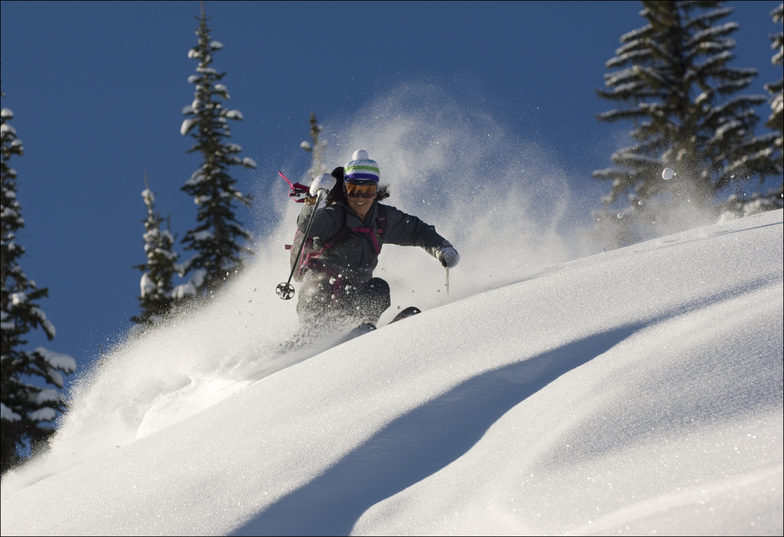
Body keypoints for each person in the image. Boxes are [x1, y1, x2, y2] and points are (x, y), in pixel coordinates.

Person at [293, 149, 459, 336]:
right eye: (354, 191)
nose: (361, 198)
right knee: (320, 288)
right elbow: (309, 225)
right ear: (345, 190)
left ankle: (361, 331)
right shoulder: (335, 215)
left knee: (378, 288)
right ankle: (310, 338)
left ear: (375, 191)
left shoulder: (382, 219)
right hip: (319, 291)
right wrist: (313, 199)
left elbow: (417, 230)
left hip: (354, 294)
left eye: (368, 191)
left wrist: (441, 247)